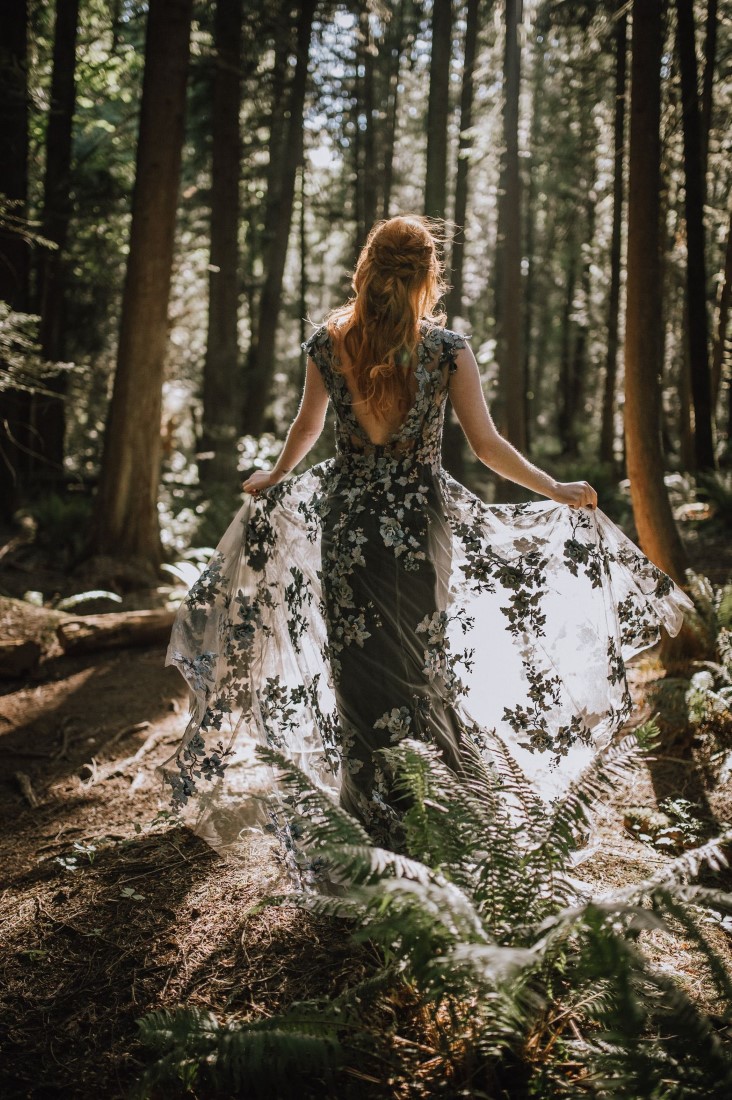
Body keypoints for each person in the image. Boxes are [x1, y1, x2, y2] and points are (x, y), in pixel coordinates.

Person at [158, 215, 693, 872]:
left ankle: (372, 833)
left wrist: (275, 474)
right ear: (427, 276)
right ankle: (432, 828)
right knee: (419, 670)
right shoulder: (446, 350)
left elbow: (306, 427)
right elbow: (488, 447)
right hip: (415, 527)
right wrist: (553, 487)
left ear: (367, 269)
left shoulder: (330, 345)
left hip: (350, 523)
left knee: (357, 674)